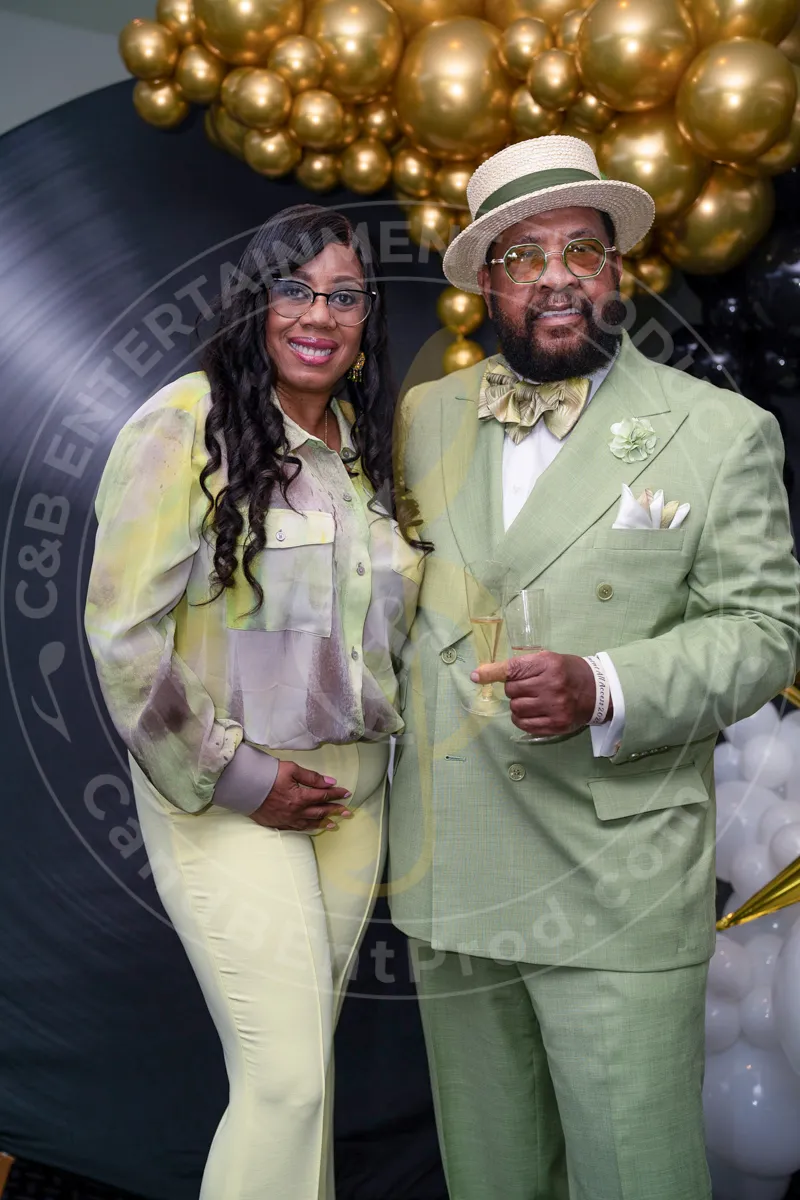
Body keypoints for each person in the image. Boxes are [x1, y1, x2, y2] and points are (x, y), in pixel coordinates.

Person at [388, 135, 800, 1200]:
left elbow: (765, 631)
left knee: (634, 1178)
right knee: (491, 1177)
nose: (557, 276)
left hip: (615, 874)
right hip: (454, 865)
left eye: (582, 249)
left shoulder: (719, 431)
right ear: (487, 283)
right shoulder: (428, 414)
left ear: (618, 269)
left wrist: (605, 683)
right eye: (523, 256)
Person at [85, 204, 423, 1200]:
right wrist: (240, 776)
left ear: (367, 315)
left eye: (344, 296)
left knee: (303, 1081)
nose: (319, 315)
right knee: (286, 1084)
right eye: (294, 289)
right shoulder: (184, 423)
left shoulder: (366, 444)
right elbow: (122, 634)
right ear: (253, 302)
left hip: (353, 797)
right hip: (227, 791)